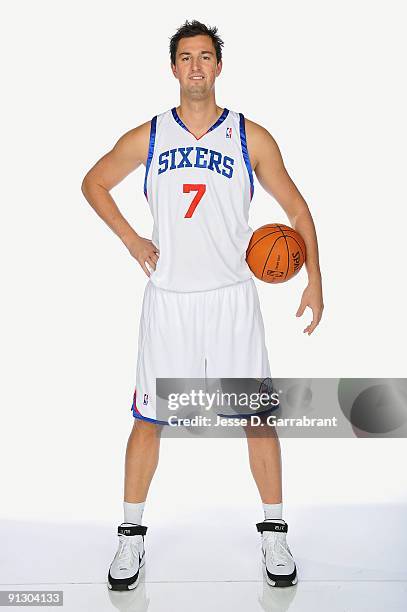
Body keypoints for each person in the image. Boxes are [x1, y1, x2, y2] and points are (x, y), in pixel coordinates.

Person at [81, 19, 324, 591]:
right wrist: (132, 240)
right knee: (148, 421)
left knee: (257, 420)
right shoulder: (150, 136)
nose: (195, 66)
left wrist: (316, 279)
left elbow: (298, 208)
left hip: (232, 300)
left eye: (205, 57)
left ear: (219, 67)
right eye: (185, 57)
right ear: (173, 68)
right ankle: (130, 537)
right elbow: (93, 182)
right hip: (169, 302)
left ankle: (274, 533)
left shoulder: (250, 137)